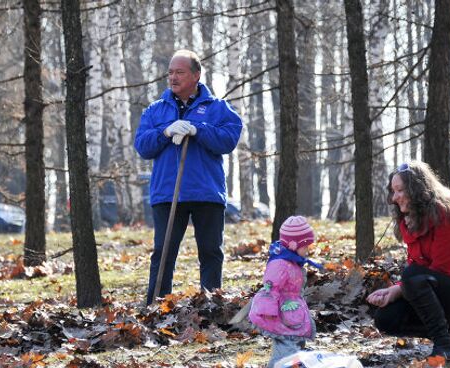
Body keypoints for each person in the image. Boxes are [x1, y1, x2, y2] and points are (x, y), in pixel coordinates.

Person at [134, 49, 243, 306]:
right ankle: (156, 307)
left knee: (210, 252)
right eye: (170, 72)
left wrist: (198, 129)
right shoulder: (155, 111)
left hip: (206, 192)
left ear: (196, 75)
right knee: (163, 254)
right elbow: (142, 146)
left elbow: (228, 139)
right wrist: (165, 132)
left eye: (180, 72)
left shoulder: (218, 108)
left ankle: (211, 305)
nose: (173, 77)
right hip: (168, 193)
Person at [366, 161, 450, 362]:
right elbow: (419, 268)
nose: (395, 197)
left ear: (416, 188)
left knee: (412, 276)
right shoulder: (409, 219)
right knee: (386, 318)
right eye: (393, 191)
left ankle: (444, 347)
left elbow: (440, 269)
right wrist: (394, 290)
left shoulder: (446, 213)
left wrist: (402, 288)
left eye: (400, 190)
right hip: (439, 289)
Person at [249, 216, 322, 368]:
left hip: (293, 314)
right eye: (306, 246)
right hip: (281, 316)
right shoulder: (280, 264)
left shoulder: (293, 261)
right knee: (285, 352)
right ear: (294, 244)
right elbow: (270, 287)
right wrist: (268, 311)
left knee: (296, 346)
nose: (308, 250)